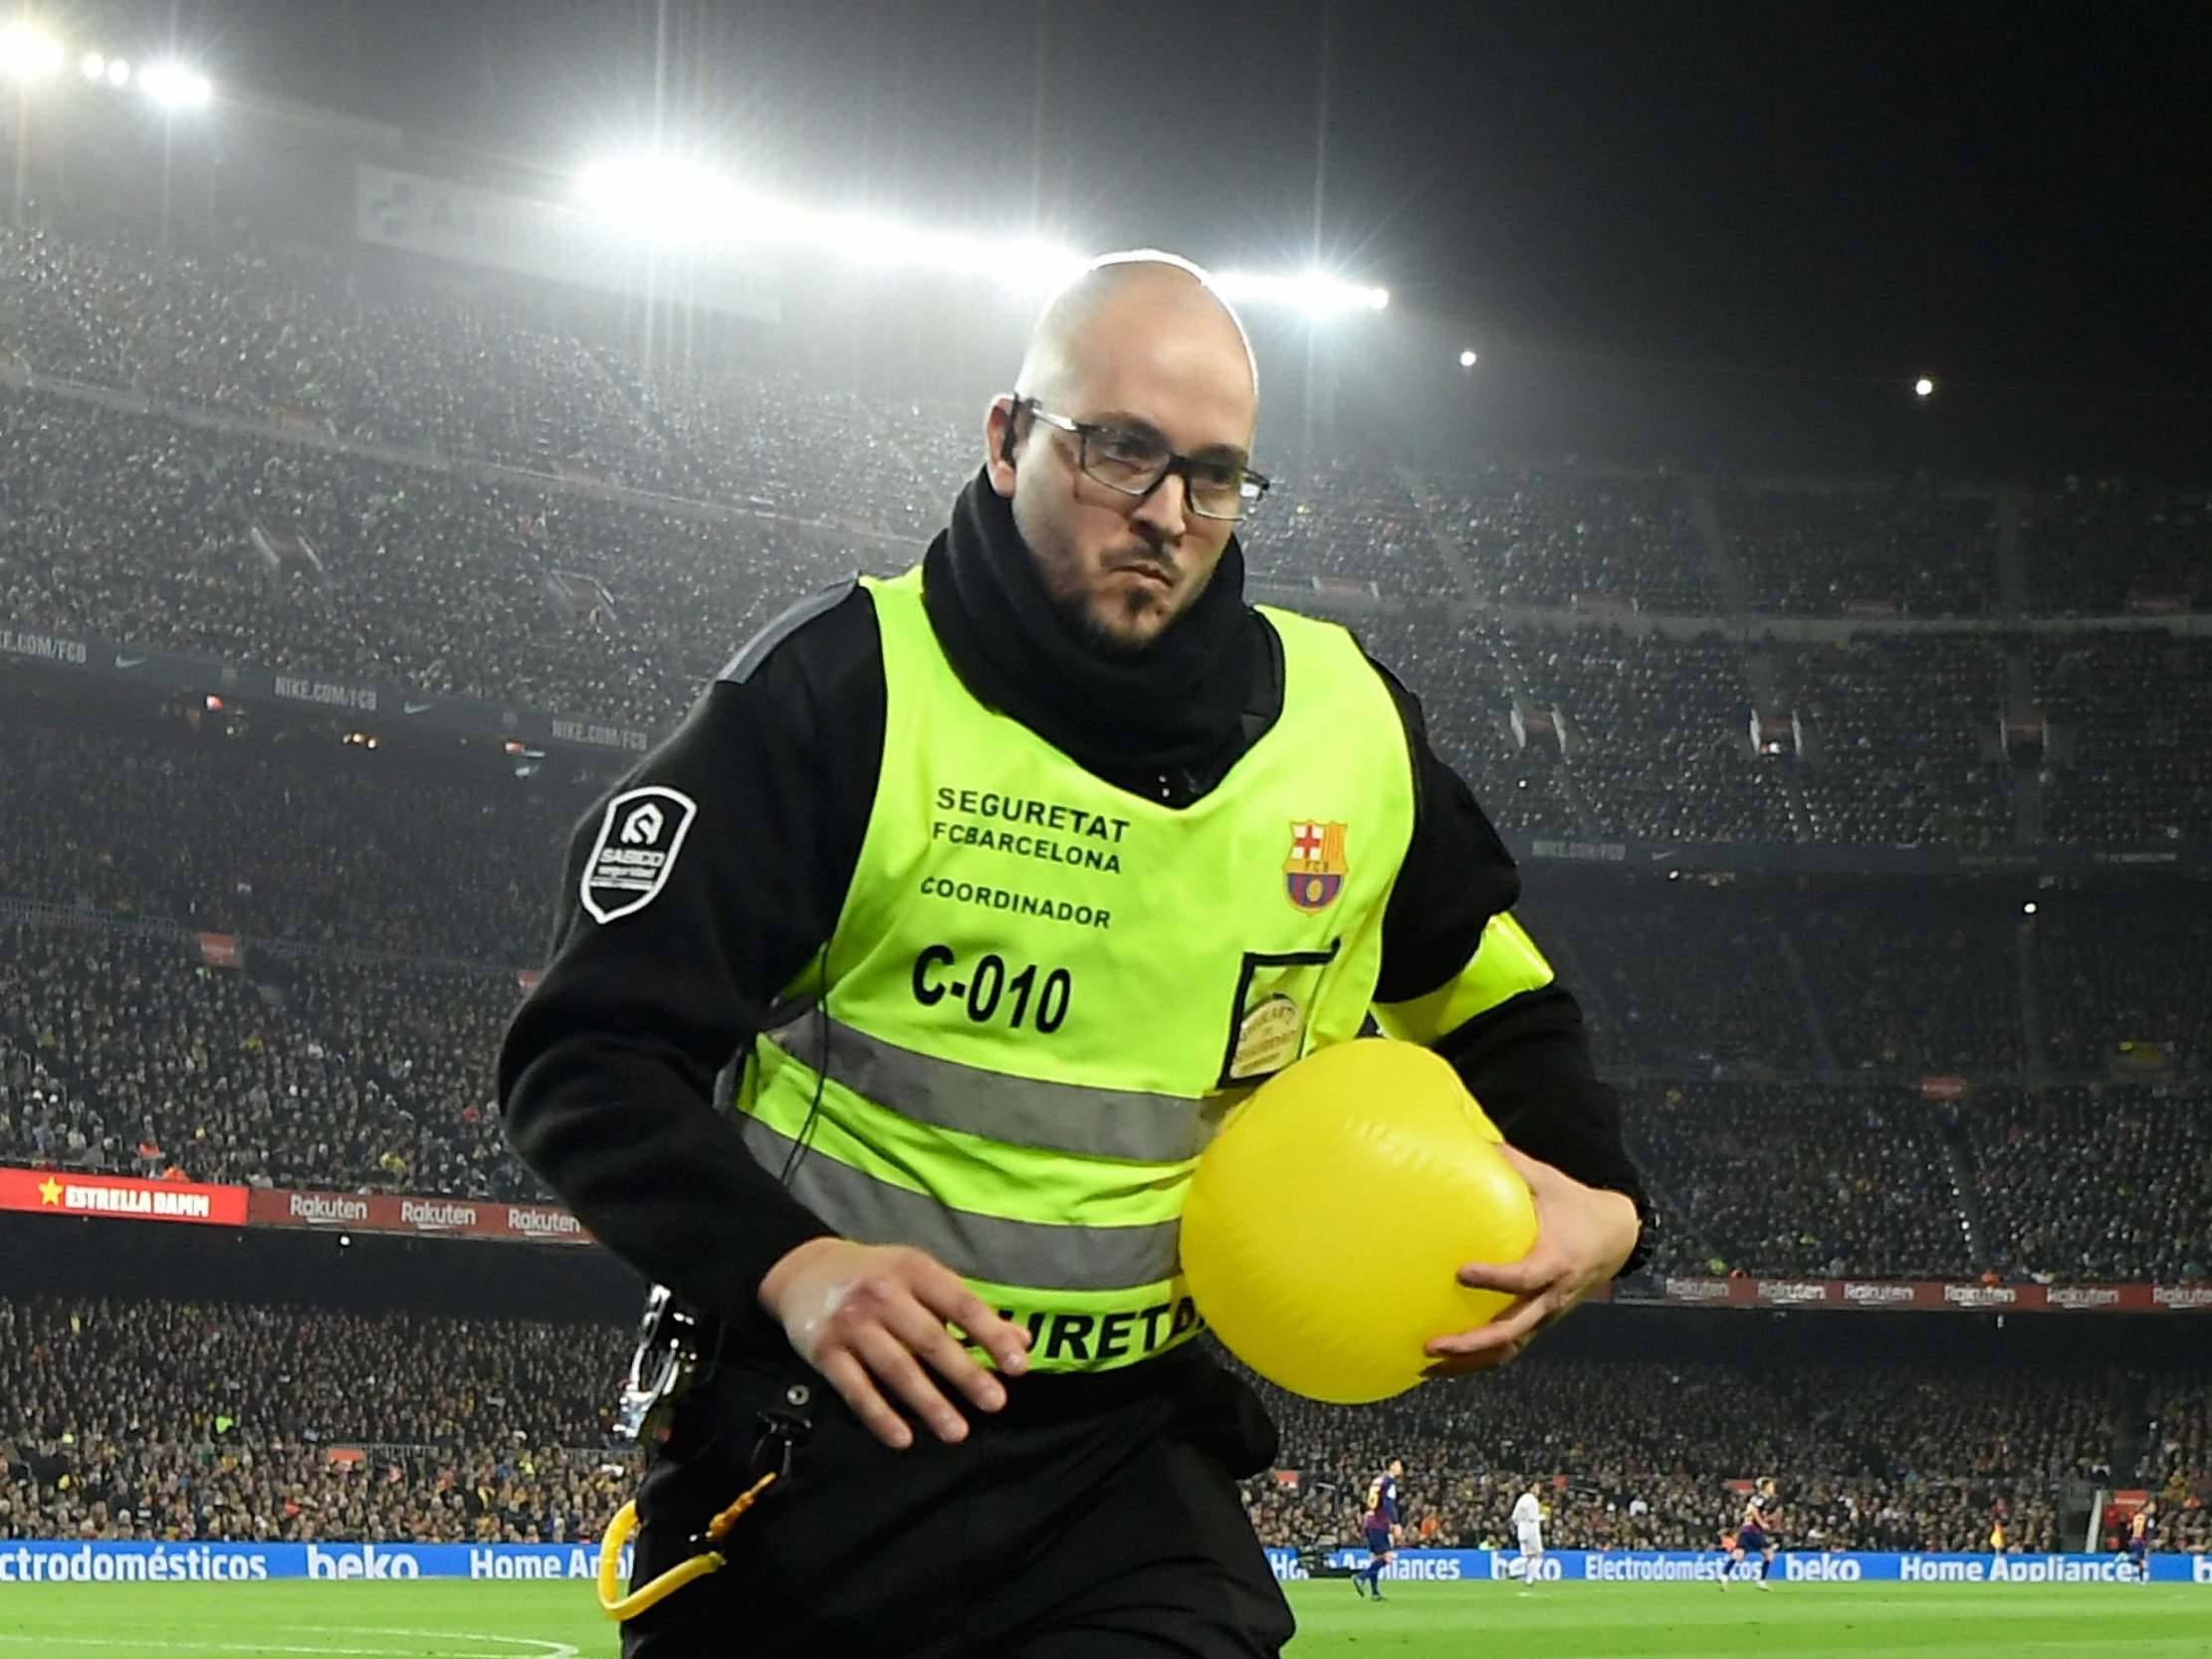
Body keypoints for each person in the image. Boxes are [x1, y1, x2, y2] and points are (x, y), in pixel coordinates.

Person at [499, 250, 1652, 1659]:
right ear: (1004, 438)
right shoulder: (842, 696)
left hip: (1123, 1463)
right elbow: (587, 1053)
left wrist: (1602, 1199)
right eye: (1122, 453)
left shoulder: (1347, 730)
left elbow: (1494, 1002)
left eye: (1215, 475)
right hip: (813, 1443)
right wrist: (792, 1265)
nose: (1169, 515)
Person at [1352, 1457, 1405, 1600]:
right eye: (1398, 1464)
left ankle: (1375, 1593)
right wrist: (1395, 1523)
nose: (1401, 1467)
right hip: (1379, 1523)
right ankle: (1360, 1577)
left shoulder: (1378, 1480)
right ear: (1392, 1466)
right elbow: (1388, 1504)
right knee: (1387, 1558)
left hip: (1369, 1521)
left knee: (1376, 1558)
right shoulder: (1389, 1482)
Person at [1718, 1478, 1780, 1590]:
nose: (1773, 1489)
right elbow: (1753, 1510)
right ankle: (1761, 1581)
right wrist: (1762, 1523)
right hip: (1753, 1530)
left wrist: (1767, 1518)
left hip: (1745, 1530)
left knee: (1738, 1554)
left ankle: (1724, 1576)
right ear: (1765, 1487)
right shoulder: (1761, 1498)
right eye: (1771, 1486)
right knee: (1769, 1554)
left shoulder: (1757, 1498)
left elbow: (1751, 1511)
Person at [1506, 1483, 1545, 1590]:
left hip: (1522, 1529)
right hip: (1531, 1529)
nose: (1539, 1490)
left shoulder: (1522, 1498)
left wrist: (1520, 1525)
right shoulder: (1531, 1499)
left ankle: (1519, 1572)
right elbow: (1532, 1517)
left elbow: (1514, 1517)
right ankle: (1530, 1576)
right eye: (1537, 1487)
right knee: (1538, 1555)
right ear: (1531, 1488)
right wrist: (1541, 1517)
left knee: (1527, 1556)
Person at [2124, 1500, 2154, 1583]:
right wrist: (2148, 1542)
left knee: (2141, 1560)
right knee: (2142, 1559)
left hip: (2134, 1540)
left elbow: (2130, 1529)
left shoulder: (2137, 1516)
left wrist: (2130, 1538)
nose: (2153, 1509)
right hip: (2141, 1541)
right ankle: (2126, 1558)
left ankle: (2141, 1579)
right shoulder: (2148, 1518)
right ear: (2147, 1507)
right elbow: (2149, 1531)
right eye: (2152, 1507)